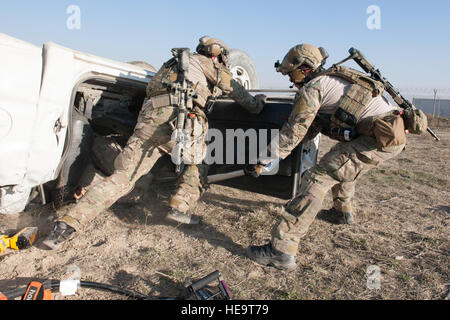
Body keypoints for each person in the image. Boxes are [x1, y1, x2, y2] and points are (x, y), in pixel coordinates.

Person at [43, 36, 266, 250]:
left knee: (121, 179)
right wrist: (258, 104)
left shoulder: (173, 65)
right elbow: (236, 91)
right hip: (181, 123)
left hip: (148, 123)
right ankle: (179, 206)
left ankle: (67, 225)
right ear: (217, 56)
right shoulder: (208, 64)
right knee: (198, 164)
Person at [245, 44, 416, 271]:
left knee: (318, 178)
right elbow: (312, 128)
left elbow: (293, 131)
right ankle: (342, 212)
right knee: (338, 162)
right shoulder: (330, 80)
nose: (290, 80)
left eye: (291, 73)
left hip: (380, 139)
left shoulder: (313, 88)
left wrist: (262, 160)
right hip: (384, 135)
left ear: (304, 67)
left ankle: (281, 250)